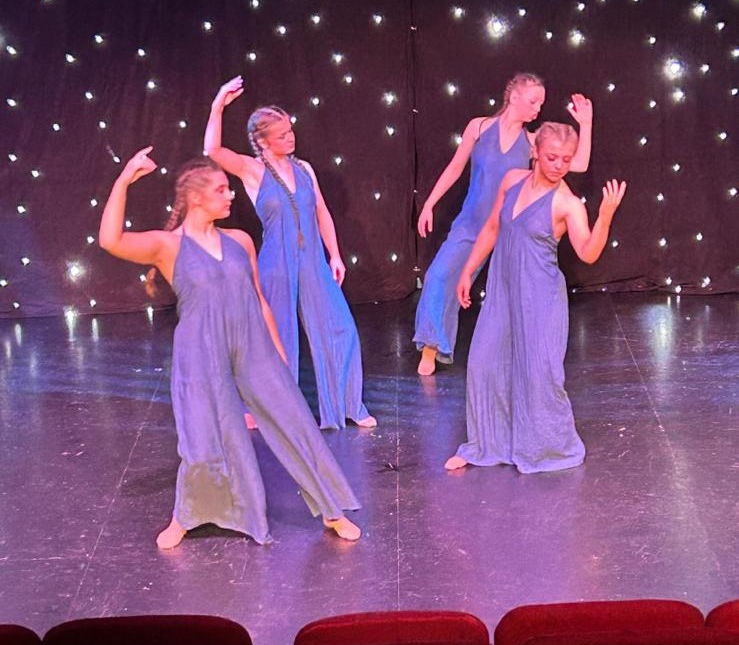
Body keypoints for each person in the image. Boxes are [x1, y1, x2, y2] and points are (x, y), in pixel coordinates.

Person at [98, 147, 363, 548]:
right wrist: (124, 180)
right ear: (196, 198)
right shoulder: (169, 246)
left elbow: (260, 300)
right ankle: (187, 515)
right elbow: (110, 241)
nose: (231, 195)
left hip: (252, 344)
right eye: (221, 189)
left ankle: (332, 510)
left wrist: (280, 354)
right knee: (203, 437)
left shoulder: (240, 240)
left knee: (296, 423)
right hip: (200, 350)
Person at [444, 122, 626, 473]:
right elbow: (493, 227)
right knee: (484, 365)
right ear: (536, 153)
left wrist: (604, 217)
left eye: (566, 159)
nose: (559, 165)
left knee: (539, 376)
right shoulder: (512, 180)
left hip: (540, 298)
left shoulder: (567, 204)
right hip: (503, 290)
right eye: (552, 157)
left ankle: (547, 447)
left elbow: (588, 253)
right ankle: (485, 445)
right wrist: (468, 269)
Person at [203, 76, 375, 430]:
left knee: (340, 328)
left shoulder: (304, 169)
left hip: (312, 261)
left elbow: (321, 212)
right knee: (274, 337)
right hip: (276, 264)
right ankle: (267, 409)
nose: (290, 138)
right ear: (263, 141)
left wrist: (335, 255)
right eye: (282, 135)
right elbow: (213, 151)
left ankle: (348, 405)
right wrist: (218, 103)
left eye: (290, 131)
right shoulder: (253, 171)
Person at [414, 73, 594, 375]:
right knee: (438, 276)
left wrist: (585, 124)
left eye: (541, 104)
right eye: (533, 101)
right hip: (471, 224)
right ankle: (431, 347)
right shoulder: (478, 127)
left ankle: (522, 358)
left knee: (512, 296)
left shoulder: (532, 142)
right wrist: (429, 203)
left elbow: (579, 163)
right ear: (514, 96)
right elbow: (455, 168)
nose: (537, 109)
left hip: (510, 230)